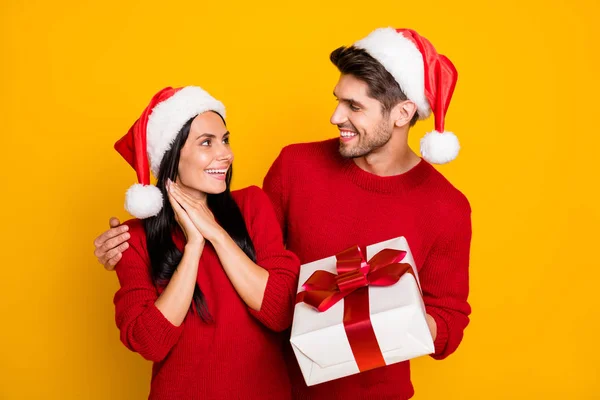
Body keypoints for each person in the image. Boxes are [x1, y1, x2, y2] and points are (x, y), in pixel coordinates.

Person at [95, 27, 472, 400]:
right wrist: (131, 247)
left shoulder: (447, 207)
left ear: (403, 113)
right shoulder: (297, 166)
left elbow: (449, 319)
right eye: (338, 99)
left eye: (354, 106)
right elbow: (247, 259)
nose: (335, 116)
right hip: (285, 387)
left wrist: (396, 320)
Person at [109, 85, 300, 399]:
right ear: (172, 157)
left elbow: (280, 311)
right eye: (206, 143)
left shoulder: (252, 204)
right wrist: (194, 246)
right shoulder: (135, 240)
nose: (224, 154)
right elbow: (151, 343)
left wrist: (216, 234)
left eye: (224, 140)